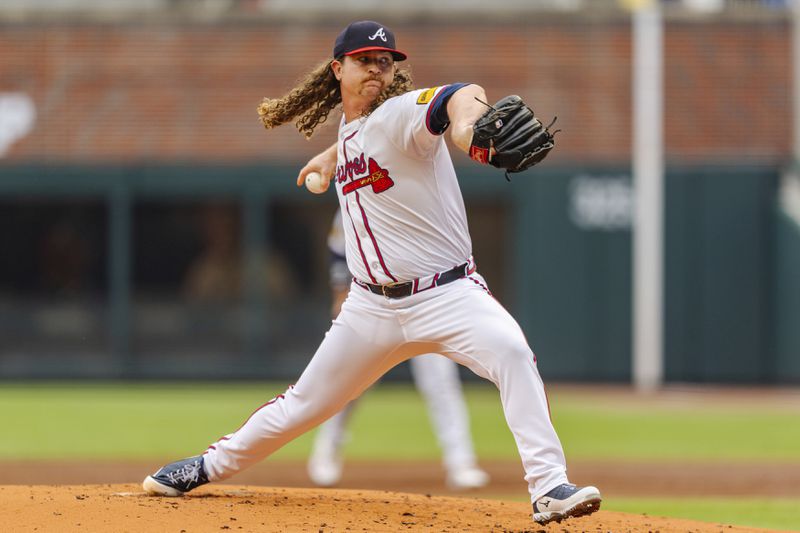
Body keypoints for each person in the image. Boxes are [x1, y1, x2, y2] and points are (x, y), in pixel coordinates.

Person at [143, 20, 601, 525]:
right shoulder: (355, 128)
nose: (377, 70)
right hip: (371, 308)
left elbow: (458, 96)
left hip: (446, 294)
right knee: (304, 404)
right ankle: (204, 466)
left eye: (385, 62)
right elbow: (359, 140)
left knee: (513, 353)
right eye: (365, 61)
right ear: (339, 69)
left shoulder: (403, 115)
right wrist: (328, 157)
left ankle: (549, 486)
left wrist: (470, 131)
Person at [307, 208, 489, 490]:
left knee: (441, 382)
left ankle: (461, 462)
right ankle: (326, 451)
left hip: (425, 303)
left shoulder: (415, 192)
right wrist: (340, 292)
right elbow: (339, 247)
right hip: (375, 306)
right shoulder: (358, 189)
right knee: (350, 384)